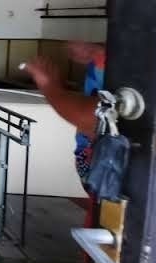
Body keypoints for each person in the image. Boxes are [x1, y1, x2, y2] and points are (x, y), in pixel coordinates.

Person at [23, 41, 105, 225]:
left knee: (107, 229)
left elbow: (97, 117)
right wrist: (99, 50)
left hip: (112, 172)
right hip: (101, 166)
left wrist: (50, 87)